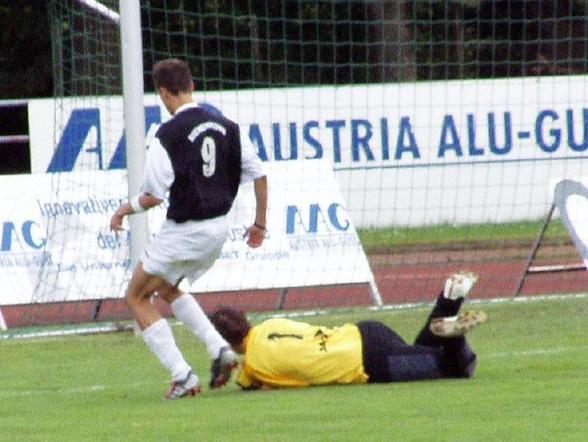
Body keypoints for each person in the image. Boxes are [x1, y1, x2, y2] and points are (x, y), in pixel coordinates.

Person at [110, 58, 268, 399]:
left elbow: (153, 196)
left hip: (184, 231)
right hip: (218, 231)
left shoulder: (167, 134)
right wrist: (259, 223)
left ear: (165, 94)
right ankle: (219, 349)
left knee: (136, 297)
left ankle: (183, 376)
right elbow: (259, 173)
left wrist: (124, 210)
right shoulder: (229, 126)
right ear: (192, 85)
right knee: (168, 289)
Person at [210, 271, 486, 389]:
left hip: (368, 362)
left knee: (455, 369)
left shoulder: (255, 366)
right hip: (363, 332)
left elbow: (248, 383)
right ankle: (449, 301)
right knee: (423, 350)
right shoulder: (269, 325)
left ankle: (454, 329)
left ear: (225, 341)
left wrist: (227, 367)